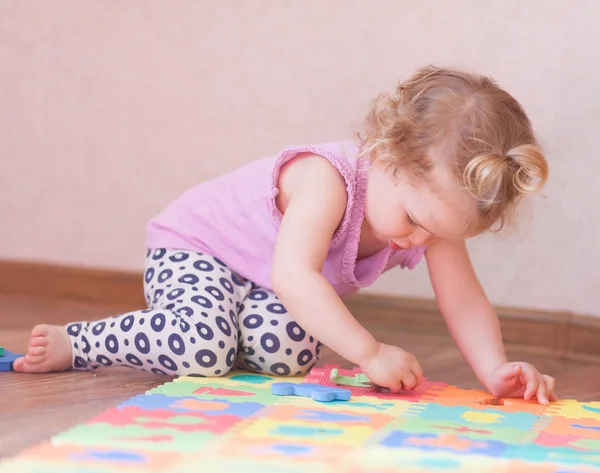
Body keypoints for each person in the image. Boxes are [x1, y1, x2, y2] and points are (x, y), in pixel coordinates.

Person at [14, 65, 557, 404]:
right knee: (204, 346)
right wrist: (368, 354)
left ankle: (226, 331)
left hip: (261, 282)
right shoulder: (326, 180)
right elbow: (294, 275)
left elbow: (463, 299)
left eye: (435, 234)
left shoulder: (427, 211)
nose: (417, 243)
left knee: (289, 353)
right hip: (198, 250)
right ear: (389, 155)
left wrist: (495, 370)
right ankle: (78, 343)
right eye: (415, 223)